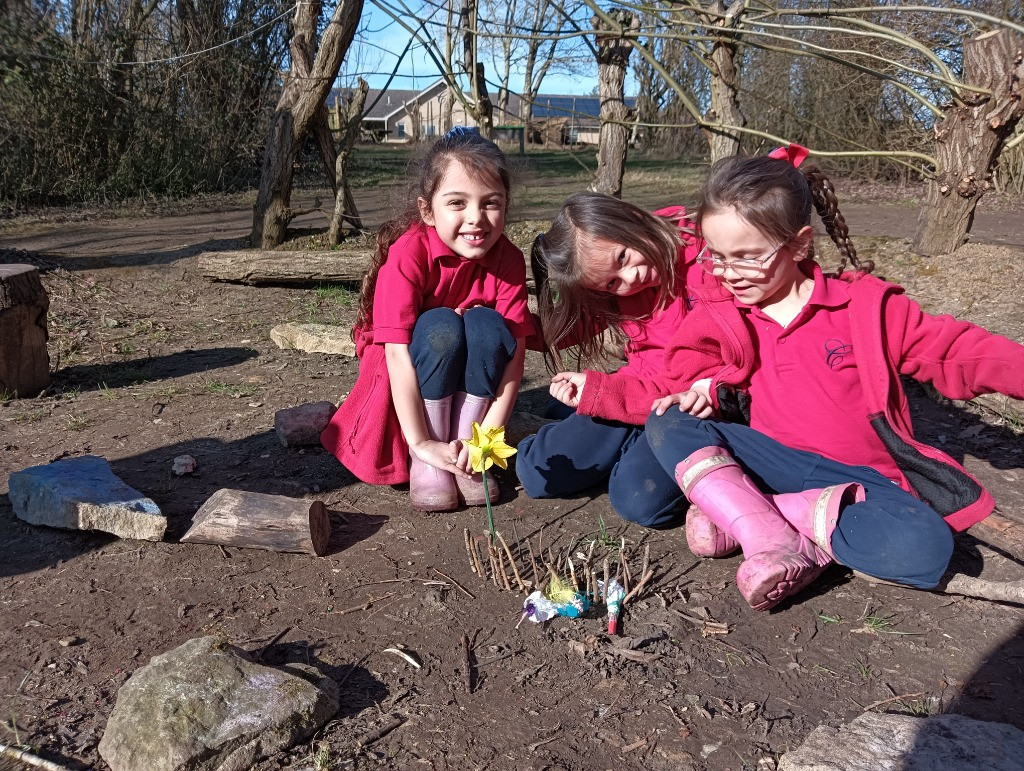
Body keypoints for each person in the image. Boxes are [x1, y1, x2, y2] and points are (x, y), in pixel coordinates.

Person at [633, 144, 1024, 611]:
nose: (728, 273)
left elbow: (959, 353)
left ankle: (758, 522)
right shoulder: (725, 315)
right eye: (716, 257)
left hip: (861, 482)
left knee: (926, 548)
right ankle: (762, 525)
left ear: (798, 244)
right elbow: (687, 367)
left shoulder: (864, 311)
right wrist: (705, 387)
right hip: (773, 465)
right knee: (667, 421)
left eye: (746, 257)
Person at [321, 127, 534, 512]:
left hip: (469, 390)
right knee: (441, 326)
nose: (476, 219)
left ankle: (464, 453)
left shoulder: (509, 260)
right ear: (427, 210)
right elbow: (396, 355)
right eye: (457, 203)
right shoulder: (409, 254)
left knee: (488, 326)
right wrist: (420, 443)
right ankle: (432, 456)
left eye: (491, 203)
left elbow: (515, 354)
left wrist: (486, 437)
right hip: (410, 369)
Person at [516, 192, 716, 527]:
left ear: (632, 220)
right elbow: (573, 326)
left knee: (641, 501)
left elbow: (694, 379)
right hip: (639, 392)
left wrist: (605, 394)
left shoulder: (707, 262)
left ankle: (618, 446)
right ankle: (575, 433)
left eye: (624, 257)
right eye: (612, 283)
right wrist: (510, 326)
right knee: (537, 473)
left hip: (686, 403)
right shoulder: (624, 282)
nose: (630, 279)